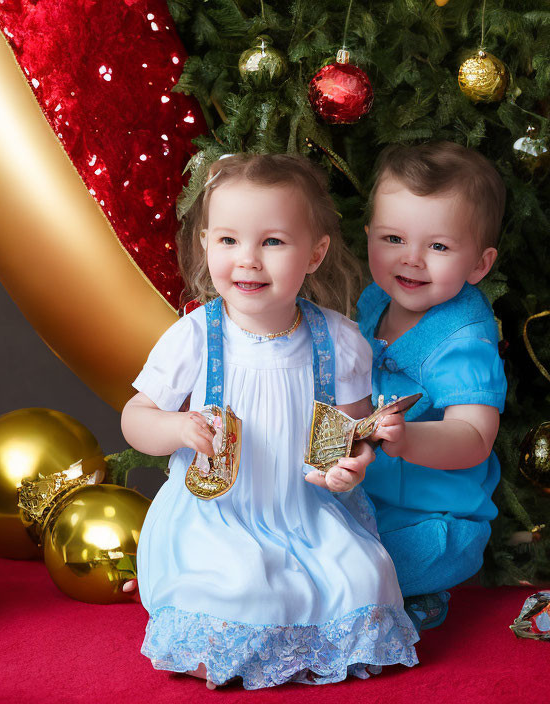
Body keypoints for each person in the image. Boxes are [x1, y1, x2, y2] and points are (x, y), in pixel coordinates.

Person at [121, 153, 418, 690]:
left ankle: (297, 645)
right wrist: (176, 428)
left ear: (315, 254)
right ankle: (240, 642)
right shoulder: (197, 335)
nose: (248, 261)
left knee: (364, 577)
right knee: (240, 585)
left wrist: (351, 467)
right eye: (228, 241)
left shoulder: (338, 341)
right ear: (206, 243)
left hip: (307, 509)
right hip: (217, 514)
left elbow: (348, 434)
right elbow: (135, 416)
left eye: (273, 242)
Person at [358, 141, 507, 631]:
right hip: (364, 499)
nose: (411, 259)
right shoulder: (372, 302)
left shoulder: (463, 339)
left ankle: (412, 598)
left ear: (479, 265)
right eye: (393, 238)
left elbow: (474, 436)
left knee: (366, 568)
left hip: (431, 521)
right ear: (368, 237)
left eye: (438, 246)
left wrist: (408, 439)